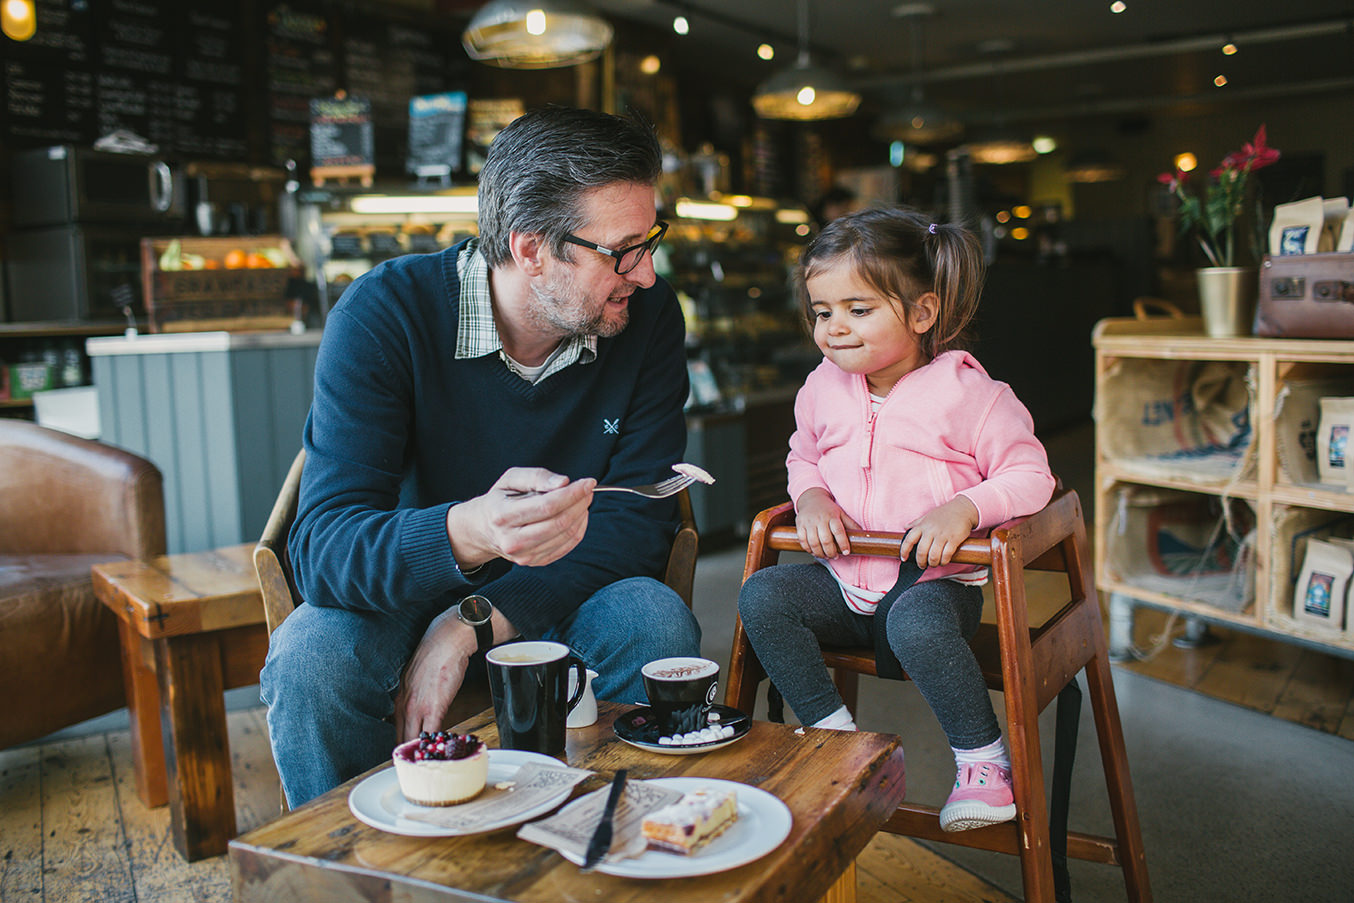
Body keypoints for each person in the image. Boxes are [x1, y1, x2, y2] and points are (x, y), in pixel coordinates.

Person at [261, 107, 702, 807]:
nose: (645, 274)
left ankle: (610, 842)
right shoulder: (385, 315)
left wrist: (468, 623)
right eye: (623, 251)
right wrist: (471, 530)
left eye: (650, 242)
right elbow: (322, 547)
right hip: (400, 588)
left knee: (652, 617)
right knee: (311, 657)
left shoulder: (646, 319)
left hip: (568, 585)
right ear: (531, 249)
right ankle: (357, 872)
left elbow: (639, 524)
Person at [737, 207, 1055, 832]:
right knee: (763, 596)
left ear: (921, 313)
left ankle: (983, 765)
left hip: (932, 589)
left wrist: (966, 508)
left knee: (915, 625)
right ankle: (834, 739)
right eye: (822, 312)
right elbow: (803, 455)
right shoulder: (820, 388)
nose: (835, 329)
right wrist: (810, 498)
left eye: (859, 310)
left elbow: (1031, 476)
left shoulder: (973, 396)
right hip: (844, 584)